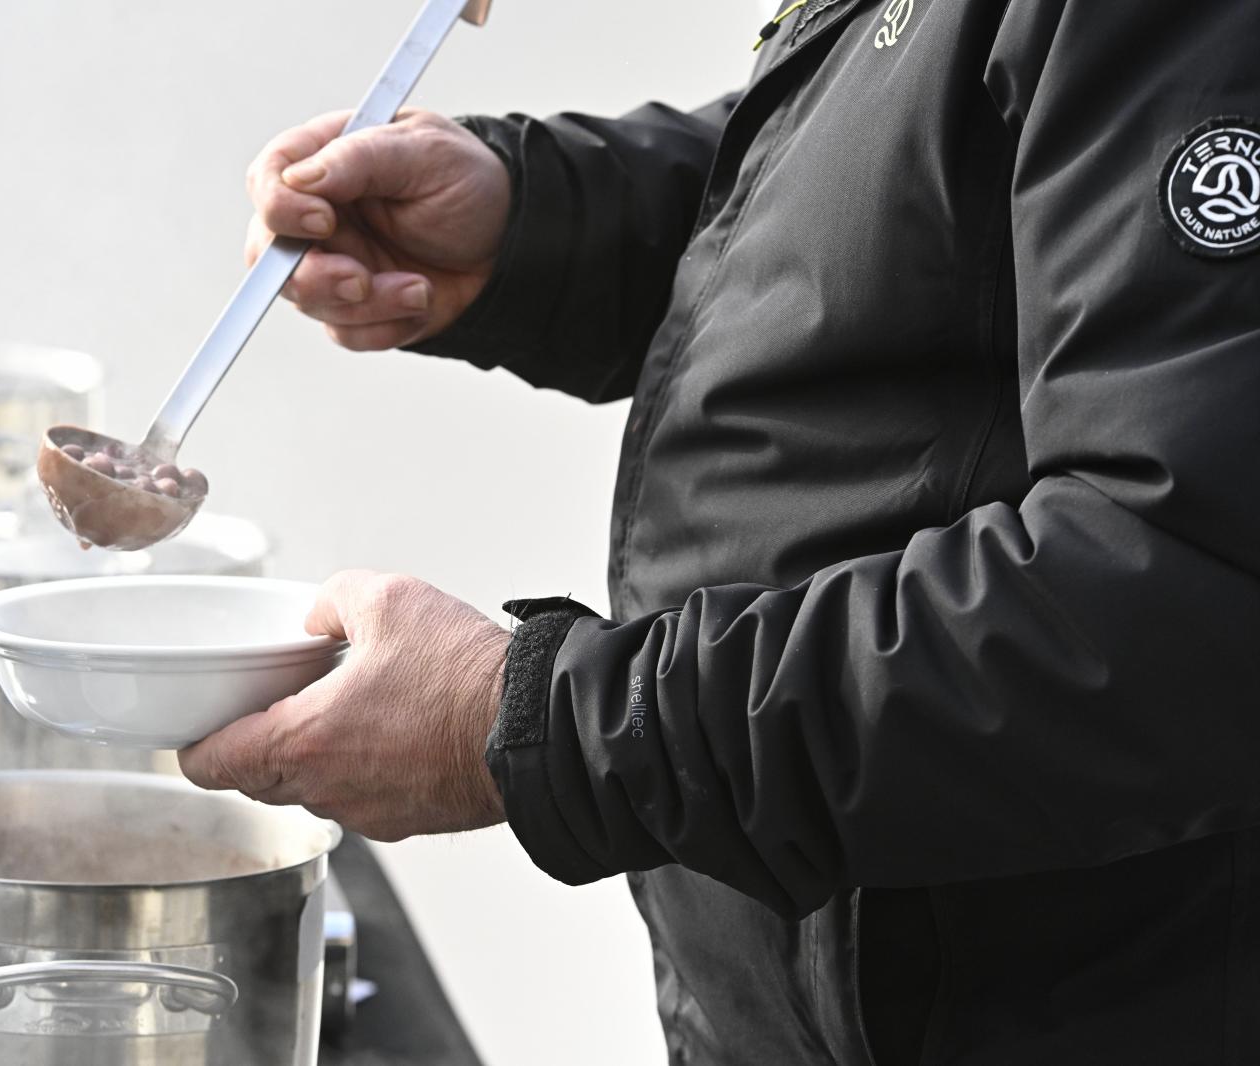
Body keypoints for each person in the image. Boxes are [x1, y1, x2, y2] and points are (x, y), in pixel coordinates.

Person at [181, 2, 1260, 1062]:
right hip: (800, 985)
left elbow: (1178, 596)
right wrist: (541, 219)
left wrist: (550, 725)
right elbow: (911, 182)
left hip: (1046, 1000)